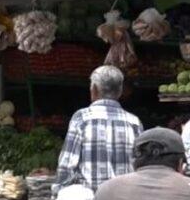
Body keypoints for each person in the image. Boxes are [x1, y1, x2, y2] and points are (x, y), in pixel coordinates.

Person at [56, 65, 142, 193]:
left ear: (94, 89)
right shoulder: (134, 122)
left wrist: (57, 197)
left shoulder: (82, 118)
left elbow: (67, 166)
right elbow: (141, 164)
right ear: (120, 91)